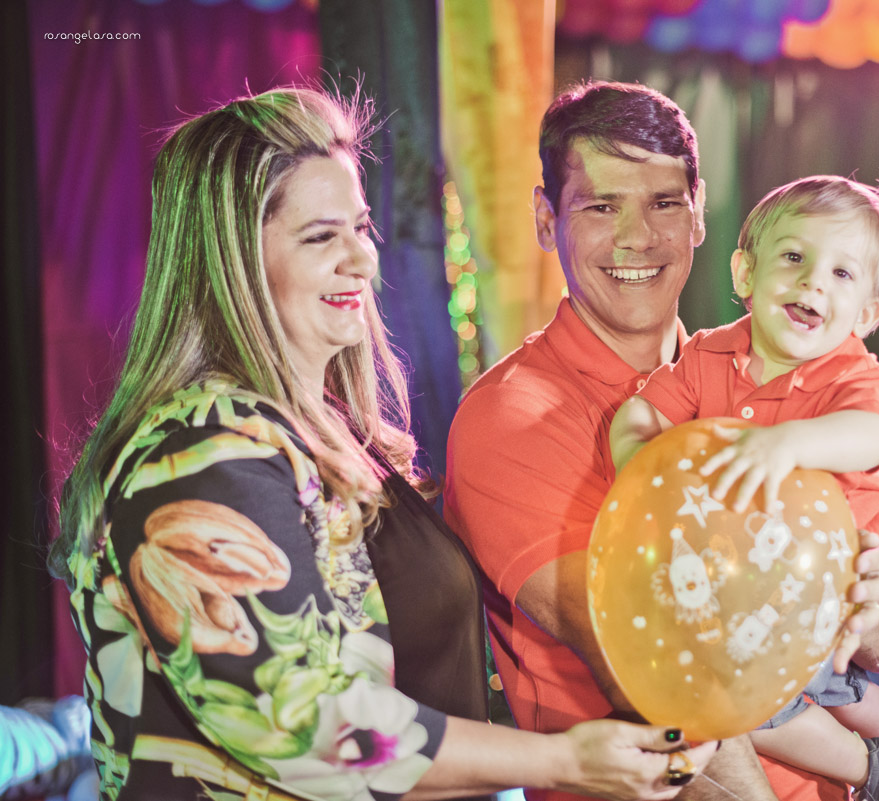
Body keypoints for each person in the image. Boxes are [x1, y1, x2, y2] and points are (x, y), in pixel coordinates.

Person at [46, 86, 718, 801]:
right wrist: (560, 761)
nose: (362, 260)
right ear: (231, 259)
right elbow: (299, 722)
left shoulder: (323, 433)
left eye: (361, 227)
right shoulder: (200, 450)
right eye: (320, 237)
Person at [444, 80, 879, 801]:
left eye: (663, 203)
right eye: (601, 206)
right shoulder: (513, 417)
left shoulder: (747, 377)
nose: (637, 238)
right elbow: (665, 673)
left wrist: (870, 594)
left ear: (699, 213)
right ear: (545, 218)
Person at [608, 175, 879, 801]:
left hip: (860, 550)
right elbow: (642, 413)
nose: (813, 283)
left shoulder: (853, 374)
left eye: (842, 273)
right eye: (794, 257)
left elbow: (870, 436)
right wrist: (640, 464)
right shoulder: (708, 356)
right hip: (772, 564)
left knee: (759, 700)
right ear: (746, 273)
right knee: (832, 695)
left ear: (868, 313)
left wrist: (789, 444)